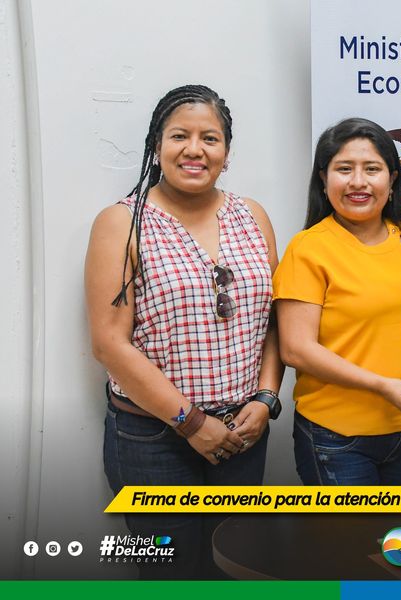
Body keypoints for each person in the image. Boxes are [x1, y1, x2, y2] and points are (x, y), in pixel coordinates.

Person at [85, 85, 283, 579]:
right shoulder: (121, 223)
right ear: (157, 146)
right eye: (179, 136)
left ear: (226, 153)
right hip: (152, 439)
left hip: (242, 433)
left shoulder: (253, 216)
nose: (195, 149)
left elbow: (274, 319)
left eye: (209, 138)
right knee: (171, 577)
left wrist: (266, 398)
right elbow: (109, 343)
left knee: (234, 569)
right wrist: (192, 423)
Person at [273, 117, 401, 485]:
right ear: (323, 179)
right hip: (336, 435)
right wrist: (381, 385)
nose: (358, 181)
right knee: (352, 529)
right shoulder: (308, 249)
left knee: (391, 527)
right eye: (344, 169)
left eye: (372, 169)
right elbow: (295, 349)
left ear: (393, 179)